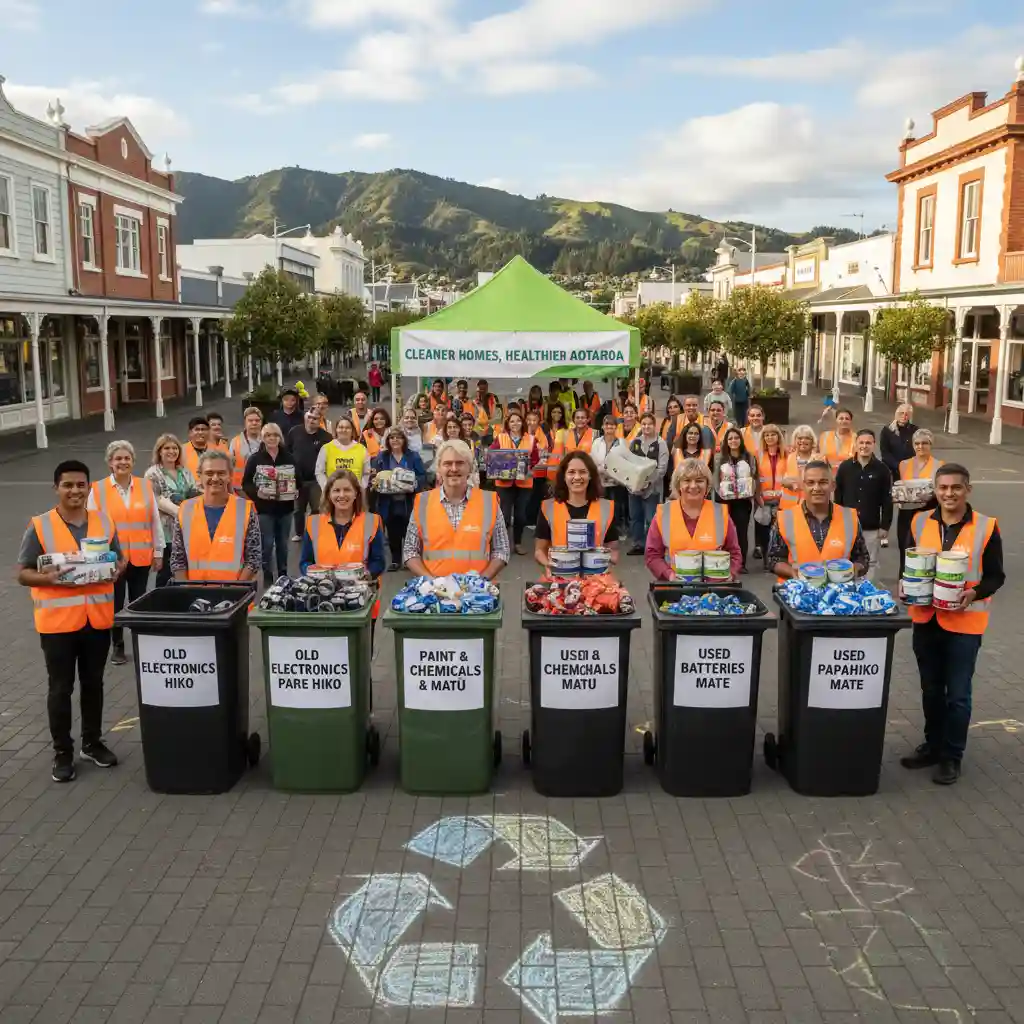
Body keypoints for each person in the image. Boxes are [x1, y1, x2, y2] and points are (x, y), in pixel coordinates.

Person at [900, 464, 1005, 786]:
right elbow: (908, 566)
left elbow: (995, 576)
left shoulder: (986, 527)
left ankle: (951, 756)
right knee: (931, 690)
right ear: (936, 489)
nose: (948, 494)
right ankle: (932, 746)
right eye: (943, 488)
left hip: (965, 623)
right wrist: (904, 586)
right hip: (926, 618)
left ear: (967, 490)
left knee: (957, 695)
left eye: (955, 488)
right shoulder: (919, 522)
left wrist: (974, 592)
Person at [18, 462, 123, 784]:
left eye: (80, 484)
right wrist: (49, 579)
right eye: (68, 485)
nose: (75, 490)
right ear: (56, 488)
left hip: (96, 620)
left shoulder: (104, 522)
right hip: (58, 623)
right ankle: (62, 750)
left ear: (89, 487)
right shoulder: (40, 526)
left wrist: (116, 569)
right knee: (61, 689)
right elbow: (23, 572)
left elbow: (118, 559)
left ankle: (92, 742)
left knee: (94, 684)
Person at [88, 441, 163, 665]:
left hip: (141, 556)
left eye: (127, 458)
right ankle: (118, 646)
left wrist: (158, 551)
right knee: (116, 604)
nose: (122, 462)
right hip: (113, 559)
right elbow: (93, 525)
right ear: (110, 463)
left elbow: (154, 520)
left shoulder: (144, 486)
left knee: (139, 602)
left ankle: (141, 644)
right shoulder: (98, 490)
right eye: (118, 459)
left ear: (133, 461)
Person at [403, 439, 509, 579]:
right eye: (447, 463)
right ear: (439, 469)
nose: (453, 469)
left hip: (478, 595)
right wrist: (431, 582)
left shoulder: (489, 502)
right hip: (434, 593)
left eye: (460, 463)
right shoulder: (423, 502)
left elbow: (502, 550)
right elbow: (410, 551)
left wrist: (482, 581)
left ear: (470, 468)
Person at [768, 460, 870, 580]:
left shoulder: (849, 517)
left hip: (839, 594)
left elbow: (862, 558)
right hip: (799, 593)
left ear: (833, 486)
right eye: (810, 483)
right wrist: (792, 573)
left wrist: (852, 570)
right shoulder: (785, 519)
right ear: (803, 485)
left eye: (823, 482)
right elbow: (774, 559)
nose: (816, 488)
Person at [172, 450, 261, 582]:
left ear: (230, 476)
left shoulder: (245, 509)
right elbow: (178, 559)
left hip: (233, 596)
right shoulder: (186, 509)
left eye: (221, 473)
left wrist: (235, 590)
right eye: (209, 473)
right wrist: (186, 590)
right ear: (199, 476)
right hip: (193, 594)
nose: (215, 478)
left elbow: (253, 559)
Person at [645, 458, 742, 581]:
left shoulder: (720, 513)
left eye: (699, 481)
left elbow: (735, 553)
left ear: (707, 485)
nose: (693, 486)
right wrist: (669, 575)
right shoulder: (664, 514)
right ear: (678, 485)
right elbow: (652, 555)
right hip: (675, 590)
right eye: (686, 480)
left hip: (715, 591)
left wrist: (731, 574)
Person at [300, 470, 386, 602]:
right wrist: (315, 574)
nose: (341, 495)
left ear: (356, 493)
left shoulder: (371, 521)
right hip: (323, 597)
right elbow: (305, 562)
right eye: (336, 490)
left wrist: (366, 575)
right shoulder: (314, 523)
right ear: (328, 494)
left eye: (347, 490)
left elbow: (379, 562)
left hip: (359, 598)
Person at [535, 451, 619, 568]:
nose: (577, 477)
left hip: (596, 580)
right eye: (571, 472)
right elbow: (539, 550)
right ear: (564, 476)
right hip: (560, 578)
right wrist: (549, 565)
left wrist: (607, 562)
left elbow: (613, 549)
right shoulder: (548, 507)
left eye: (583, 472)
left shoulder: (606, 508)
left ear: (590, 476)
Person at [243, 423, 301, 587]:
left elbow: (299, 481)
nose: (271, 438)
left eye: (275, 435)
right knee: (267, 544)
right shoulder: (255, 459)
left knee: (283, 544)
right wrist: (257, 494)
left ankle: (283, 574)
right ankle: (267, 574)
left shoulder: (289, 457)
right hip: (264, 509)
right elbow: (246, 483)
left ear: (280, 437)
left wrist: (296, 491)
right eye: (268, 435)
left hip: (285, 509)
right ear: (262, 438)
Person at [834, 429, 893, 579]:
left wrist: (884, 526)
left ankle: (866, 590)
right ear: (856, 444)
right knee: (845, 560)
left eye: (868, 443)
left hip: (870, 525)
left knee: (870, 562)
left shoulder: (882, 470)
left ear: (874, 445)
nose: (864, 446)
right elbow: (838, 495)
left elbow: (887, 499)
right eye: (861, 442)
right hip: (847, 524)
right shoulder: (845, 467)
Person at [145, 434, 199, 589]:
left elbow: (193, 492)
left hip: (187, 528)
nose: (171, 451)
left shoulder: (185, 471)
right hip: (166, 531)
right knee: (166, 571)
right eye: (167, 448)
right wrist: (181, 511)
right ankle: (161, 602)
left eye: (175, 448)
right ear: (159, 451)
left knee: (183, 568)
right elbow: (156, 499)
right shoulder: (152, 473)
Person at [373, 428, 426, 571]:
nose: (395, 440)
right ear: (388, 441)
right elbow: (375, 476)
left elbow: (422, 476)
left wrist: (413, 484)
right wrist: (376, 482)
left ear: (404, 440)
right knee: (393, 531)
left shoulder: (412, 456)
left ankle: (410, 560)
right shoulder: (382, 457)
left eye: (398, 437)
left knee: (409, 531)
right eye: (392, 438)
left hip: (408, 501)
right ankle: (395, 560)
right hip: (388, 502)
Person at [490, 410, 539, 555]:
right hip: (504, 483)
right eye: (512, 421)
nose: (515, 424)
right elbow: (492, 455)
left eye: (518, 421)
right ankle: (502, 545)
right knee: (504, 516)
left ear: (522, 423)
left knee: (520, 515)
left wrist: (529, 466)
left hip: (524, 483)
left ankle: (517, 543)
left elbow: (535, 458)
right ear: (508, 424)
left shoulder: (530, 439)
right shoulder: (501, 437)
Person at [895, 428, 944, 574]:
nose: (920, 447)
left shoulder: (939, 465)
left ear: (931, 445)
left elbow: (941, 489)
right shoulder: (904, 464)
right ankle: (903, 582)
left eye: (925, 443)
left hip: (929, 512)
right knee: (905, 548)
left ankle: (925, 581)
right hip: (906, 512)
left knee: (926, 548)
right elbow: (900, 486)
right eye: (917, 443)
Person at [712, 427, 758, 572]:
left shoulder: (749, 456)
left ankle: (741, 563)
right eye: (730, 438)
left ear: (741, 440)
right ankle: (724, 561)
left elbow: (754, 475)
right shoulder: (719, 457)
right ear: (726, 441)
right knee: (724, 531)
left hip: (743, 501)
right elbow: (715, 479)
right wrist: (720, 492)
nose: (733, 441)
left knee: (741, 532)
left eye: (736, 438)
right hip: (724, 500)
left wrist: (752, 491)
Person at [627, 412, 669, 555]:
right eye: (643, 424)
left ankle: (654, 547)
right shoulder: (635, 442)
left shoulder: (661, 444)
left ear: (654, 425)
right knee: (635, 518)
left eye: (649, 424)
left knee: (652, 519)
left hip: (653, 489)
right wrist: (633, 483)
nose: (646, 427)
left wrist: (647, 483)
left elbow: (662, 469)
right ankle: (638, 544)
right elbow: (628, 464)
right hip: (634, 489)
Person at [288, 407, 332, 541]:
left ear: (320, 421)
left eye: (315, 419)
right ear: (305, 417)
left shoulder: (326, 437)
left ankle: (315, 532)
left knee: (317, 508)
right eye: (309, 417)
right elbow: (287, 451)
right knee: (298, 509)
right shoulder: (294, 432)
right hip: (297, 479)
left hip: (316, 479)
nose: (311, 420)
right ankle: (299, 533)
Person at [753, 424, 786, 566]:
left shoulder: (787, 455)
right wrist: (758, 496)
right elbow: (753, 477)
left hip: (782, 499)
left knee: (779, 532)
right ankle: (766, 560)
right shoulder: (757, 454)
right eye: (766, 435)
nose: (770, 437)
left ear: (779, 437)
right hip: (763, 499)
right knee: (763, 531)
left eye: (773, 434)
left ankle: (777, 558)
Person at [591, 415, 629, 538]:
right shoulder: (597, 442)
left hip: (616, 480)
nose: (609, 427)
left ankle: (616, 532)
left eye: (612, 424)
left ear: (616, 427)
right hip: (601, 480)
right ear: (602, 426)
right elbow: (593, 459)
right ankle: (603, 531)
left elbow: (625, 461)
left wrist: (613, 472)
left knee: (616, 507)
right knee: (602, 506)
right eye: (607, 424)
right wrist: (601, 470)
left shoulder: (622, 442)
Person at [316, 417, 370, 492]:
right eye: (341, 427)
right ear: (336, 430)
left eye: (347, 428)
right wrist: (326, 487)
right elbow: (319, 472)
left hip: (355, 492)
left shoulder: (362, 449)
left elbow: (366, 473)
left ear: (352, 431)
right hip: (333, 492)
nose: (344, 430)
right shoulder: (326, 448)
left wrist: (360, 488)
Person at [524, 408, 552, 528]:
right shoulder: (522, 433)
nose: (531, 422)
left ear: (538, 421)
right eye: (528, 420)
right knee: (526, 497)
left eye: (534, 420)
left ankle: (534, 520)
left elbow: (539, 452)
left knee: (536, 497)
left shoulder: (542, 436)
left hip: (539, 472)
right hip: (525, 472)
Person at [779, 425, 817, 510]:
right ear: (795, 440)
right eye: (799, 438)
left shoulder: (819, 459)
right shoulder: (787, 457)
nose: (803, 441)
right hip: (788, 507)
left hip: (811, 508)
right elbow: (780, 479)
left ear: (812, 441)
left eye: (807, 438)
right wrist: (785, 482)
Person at [229, 407, 264, 493]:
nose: (254, 423)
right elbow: (229, 466)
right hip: (240, 489)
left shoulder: (267, 440)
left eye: (257, 420)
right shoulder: (235, 442)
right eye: (250, 420)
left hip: (264, 488)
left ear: (261, 422)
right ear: (245, 422)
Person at [880, 403, 918, 478]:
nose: (904, 416)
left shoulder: (915, 430)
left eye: (907, 414)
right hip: (891, 469)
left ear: (910, 416)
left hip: (909, 469)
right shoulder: (887, 430)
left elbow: (917, 450)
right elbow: (885, 452)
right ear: (896, 414)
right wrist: (897, 465)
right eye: (902, 413)